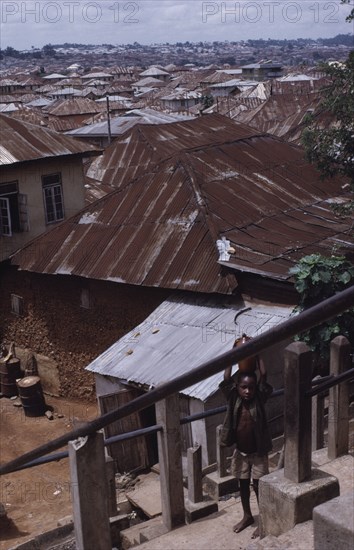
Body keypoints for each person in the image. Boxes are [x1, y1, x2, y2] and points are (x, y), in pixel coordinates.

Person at [219, 345, 273, 538]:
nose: (248, 391)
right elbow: (226, 379)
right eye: (244, 387)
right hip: (241, 452)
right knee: (242, 485)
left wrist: (256, 352)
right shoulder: (234, 398)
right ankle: (247, 516)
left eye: (251, 387)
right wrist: (233, 356)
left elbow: (264, 375)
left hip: (258, 453)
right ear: (238, 388)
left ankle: (263, 520)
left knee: (259, 486)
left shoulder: (259, 397)